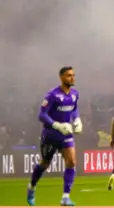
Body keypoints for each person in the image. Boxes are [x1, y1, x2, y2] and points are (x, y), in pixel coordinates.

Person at [28, 66, 82, 207]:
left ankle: (65, 198)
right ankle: (32, 187)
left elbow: (74, 109)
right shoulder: (52, 95)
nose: (72, 78)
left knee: (71, 162)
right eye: (69, 75)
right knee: (45, 164)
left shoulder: (75, 94)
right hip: (51, 134)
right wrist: (56, 125)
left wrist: (77, 120)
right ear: (61, 77)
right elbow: (42, 115)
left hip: (66, 134)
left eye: (73, 75)